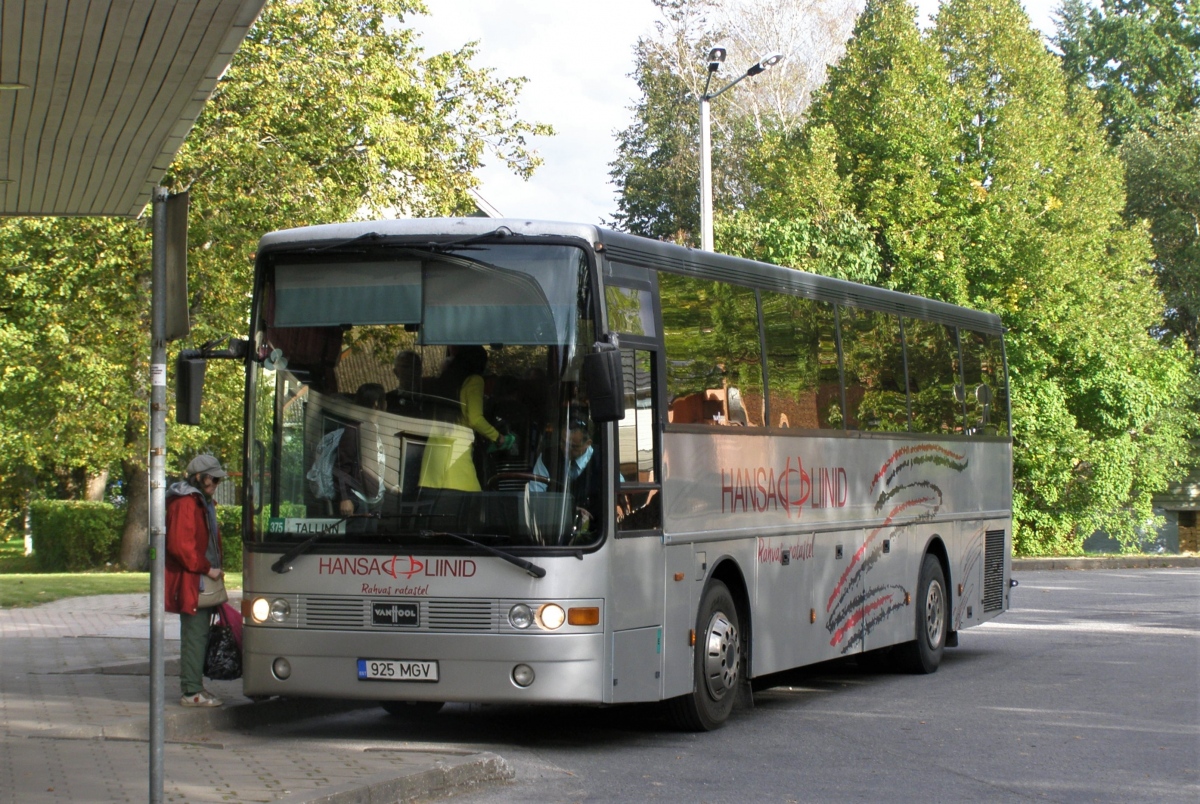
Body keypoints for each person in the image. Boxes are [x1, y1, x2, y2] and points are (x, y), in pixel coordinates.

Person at [165, 454, 227, 708]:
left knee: (198, 634)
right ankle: (191, 690)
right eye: (212, 479)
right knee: (195, 634)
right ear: (200, 478)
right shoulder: (187, 503)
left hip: (199, 577)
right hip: (194, 580)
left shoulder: (198, 500)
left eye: (217, 479)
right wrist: (207, 568)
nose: (215, 484)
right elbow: (180, 546)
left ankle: (195, 687)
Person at [418, 345, 513, 491]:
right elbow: (475, 419)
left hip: (433, 454)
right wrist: (498, 437)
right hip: (456, 454)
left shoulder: (445, 379)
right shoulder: (474, 380)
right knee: (472, 503)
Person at [530, 423, 597, 508]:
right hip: (554, 517)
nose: (565, 449)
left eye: (573, 446)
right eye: (563, 442)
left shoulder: (603, 458)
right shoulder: (548, 457)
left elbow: (617, 489)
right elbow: (535, 495)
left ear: (588, 443)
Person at [386, 350, 423, 414]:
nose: (411, 370)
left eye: (415, 366)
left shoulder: (431, 397)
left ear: (420, 370)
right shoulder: (388, 399)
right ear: (396, 372)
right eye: (405, 367)